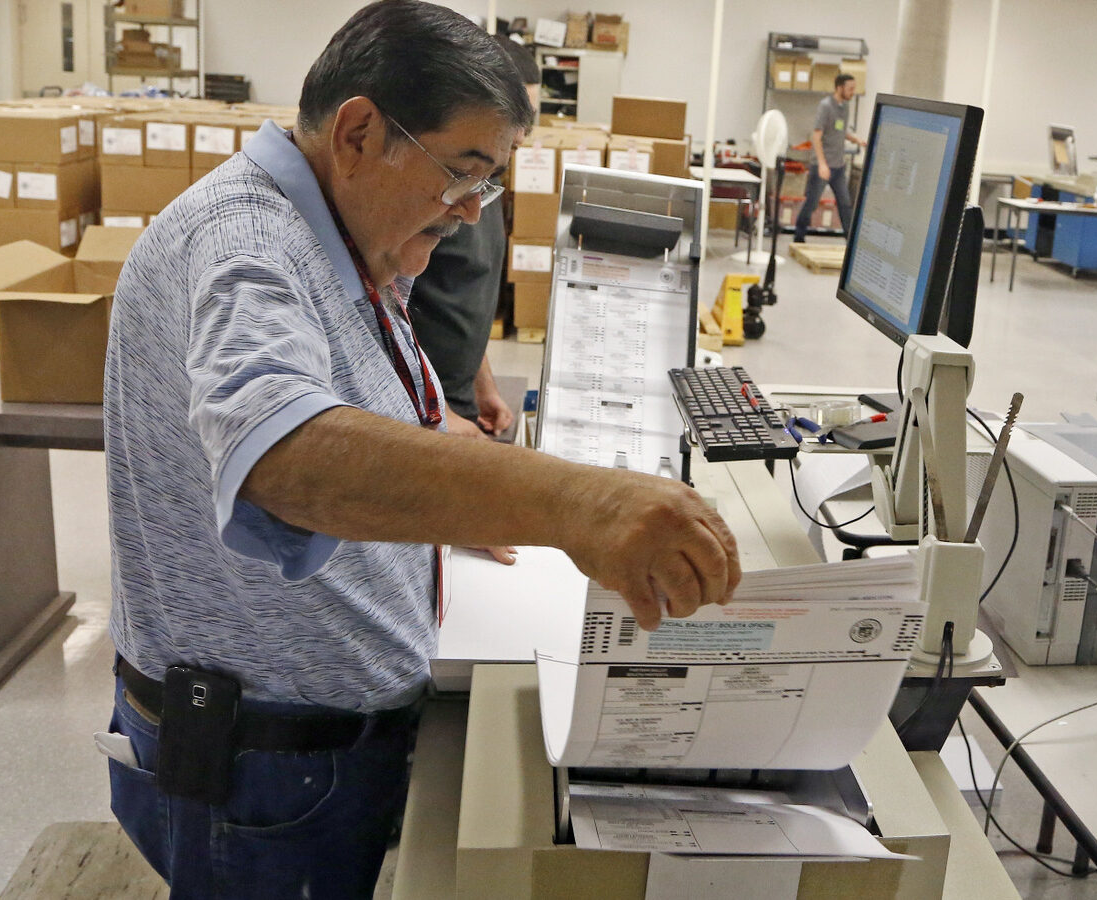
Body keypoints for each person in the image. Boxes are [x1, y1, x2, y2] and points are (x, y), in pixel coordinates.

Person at [99, 2, 740, 896]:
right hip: (261, 771)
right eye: (463, 172)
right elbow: (288, 456)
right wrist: (573, 503)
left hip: (316, 745)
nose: (473, 209)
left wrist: (473, 489)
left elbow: (371, 408)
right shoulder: (246, 244)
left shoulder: (345, 236)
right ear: (360, 132)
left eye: (489, 185)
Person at [407, 36, 539, 439]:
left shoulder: (487, 183)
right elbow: (382, 317)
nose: (524, 135)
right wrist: (442, 415)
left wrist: (483, 386)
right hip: (415, 414)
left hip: (456, 405)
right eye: (516, 118)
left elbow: (466, 294)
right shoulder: (436, 192)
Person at [792, 73, 866, 242]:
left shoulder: (845, 107)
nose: (853, 92)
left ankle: (850, 240)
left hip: (839, 167)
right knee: (811, 202)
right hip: (822, 166)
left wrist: (857, 140)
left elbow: (840, 130)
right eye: (850, 89)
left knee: (845, 204)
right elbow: (816, 136)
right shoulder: (825, 106)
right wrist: (822, 164)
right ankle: (799, 237)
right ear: (839, 88)